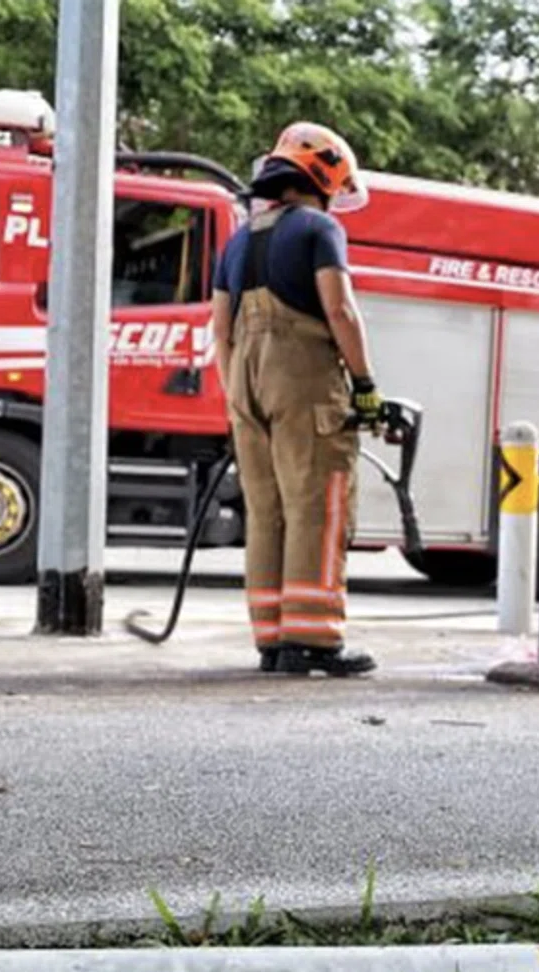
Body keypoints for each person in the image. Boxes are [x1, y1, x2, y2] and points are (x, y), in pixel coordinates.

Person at [212, 122, 387, 677]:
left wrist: (236, 396)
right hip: (303, 377)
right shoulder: (319, 229)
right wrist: (364, 384)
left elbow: (220, 330)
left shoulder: (237, 241)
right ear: (322, 180)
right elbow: (340, 311)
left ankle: (272, 639)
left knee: (266, 511)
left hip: (243, 379)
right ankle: (314, 641)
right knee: (318, 502)